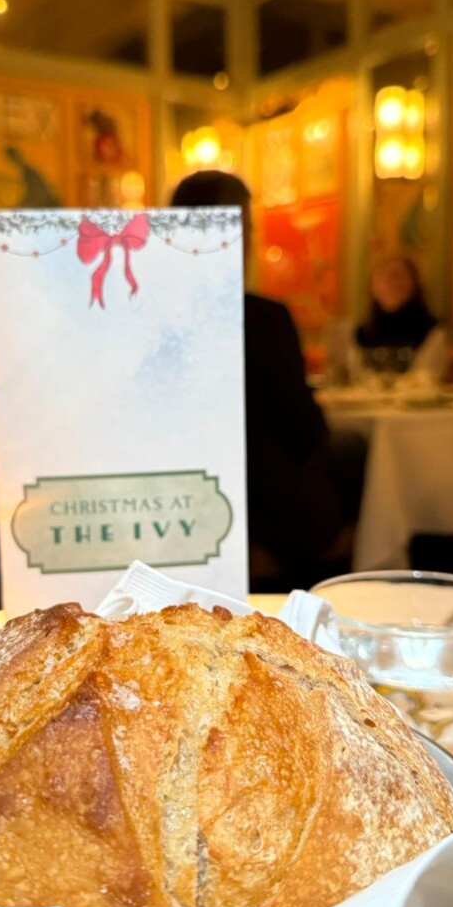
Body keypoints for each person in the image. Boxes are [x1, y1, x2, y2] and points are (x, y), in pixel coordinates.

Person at [170, 170, 365, 592]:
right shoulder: (264, 319)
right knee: (355, 458)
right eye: (248, 227)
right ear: (235, 232)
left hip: (172, 513)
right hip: (261, 516)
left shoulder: (146, 319)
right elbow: (305, 433)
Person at [348, 255, 448, 383]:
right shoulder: (361, 334)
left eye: (398, 276)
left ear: (414, 284)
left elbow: (427, 378)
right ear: (372, 287)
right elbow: (356, 378)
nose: (391, 283)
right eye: (383, 277)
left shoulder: (431, 332)